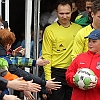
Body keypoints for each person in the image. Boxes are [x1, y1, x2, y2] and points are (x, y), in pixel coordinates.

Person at [0, 29, 62, 95]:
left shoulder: (4, 57)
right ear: (8, 45)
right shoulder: (3, 60)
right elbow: (19, 71)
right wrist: (42, 83)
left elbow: (13, 61)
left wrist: (18, 55)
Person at [42, 0, 82, 100]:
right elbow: (47, 55)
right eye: (61, 13)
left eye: (67, 13)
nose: (64, 16)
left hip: (73, 72)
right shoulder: (49, 30)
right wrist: (48, 79)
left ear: (72, 11)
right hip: (56, 73)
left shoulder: (79, 29)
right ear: (56, 12)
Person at [66, 29, 100, 100]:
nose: (90, 44)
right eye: (89, 41)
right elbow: (68, 73)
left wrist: (97, 82)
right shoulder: (80, 57)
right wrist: (73, 78)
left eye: (94, 41)